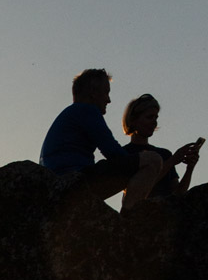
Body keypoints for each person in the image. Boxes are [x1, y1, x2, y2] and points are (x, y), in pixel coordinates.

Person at [40, 68, 166, 211]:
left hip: (60, 184)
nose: (109, 100)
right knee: (152, 160)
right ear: (93, 94)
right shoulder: (87, 110)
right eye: (106, 92)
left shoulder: (71, 113)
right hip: (75, 182)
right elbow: (112, 152)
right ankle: (129, 217)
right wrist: (136, 164)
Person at [120, 94, 202, 203]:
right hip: (139, 215)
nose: (154, 122)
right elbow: (136, 189)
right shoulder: (125, 154)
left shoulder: (164, 154)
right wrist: (172, 161)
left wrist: (190, 168)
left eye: (156, 117)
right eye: (149, 117)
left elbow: (178, 193)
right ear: (133, 120)